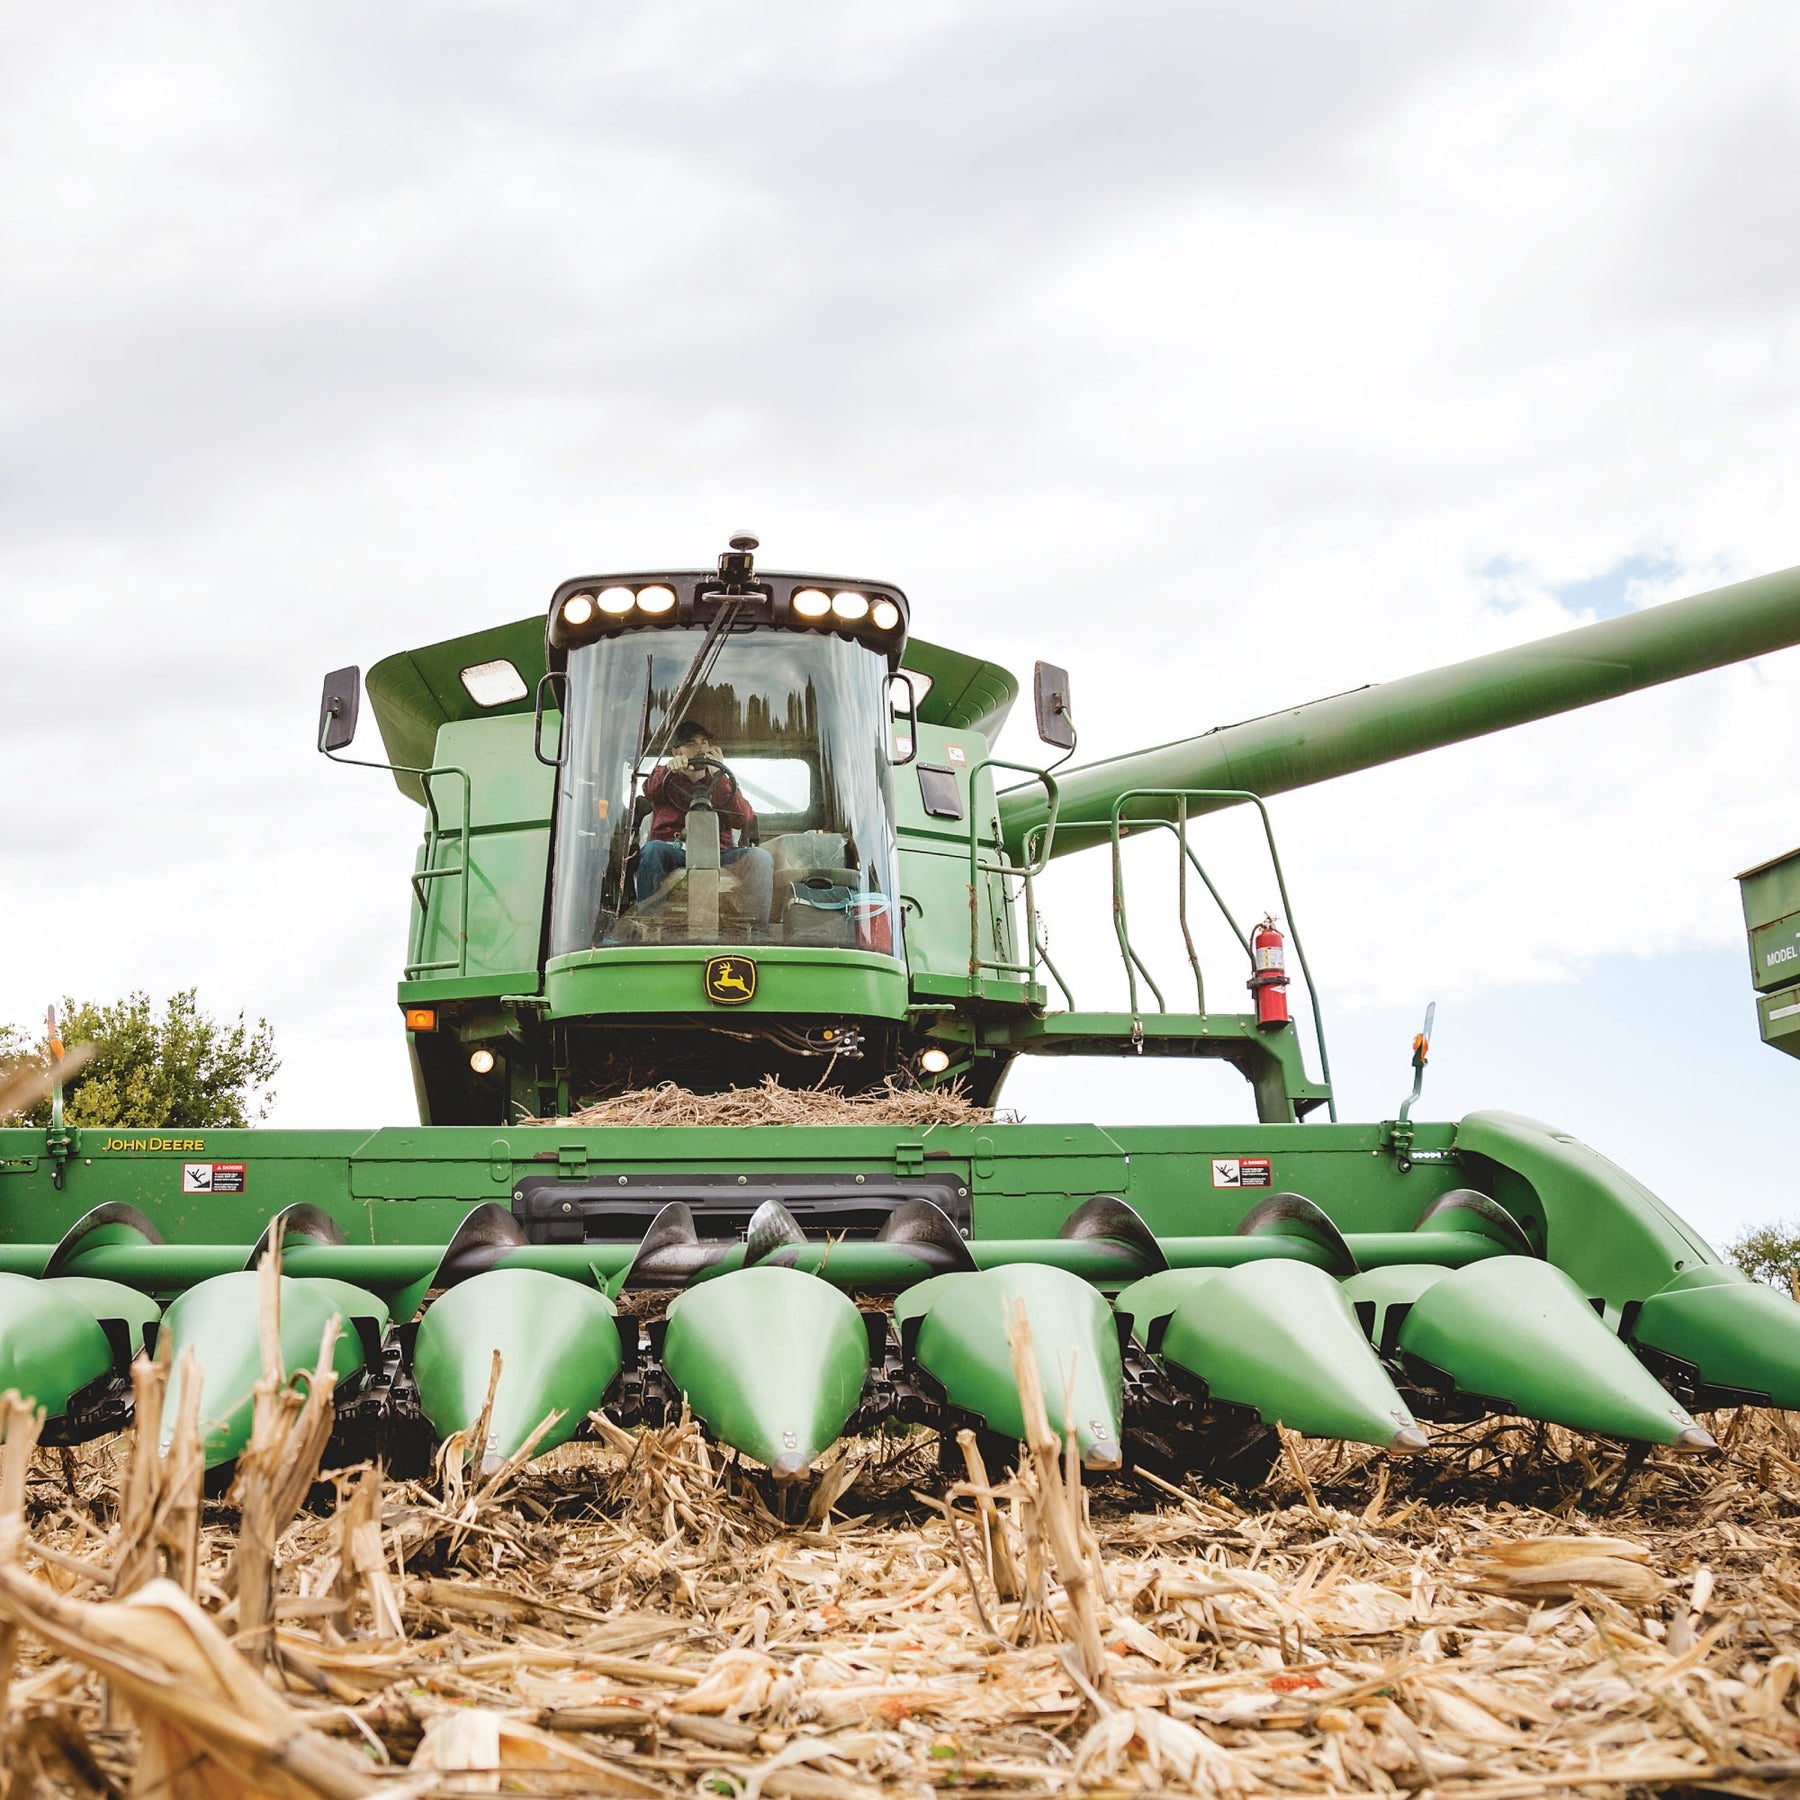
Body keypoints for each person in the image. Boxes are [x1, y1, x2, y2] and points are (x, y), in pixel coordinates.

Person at [635, 722, 774, 928]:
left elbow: (743, 818)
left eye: (704, 742)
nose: (700, 748)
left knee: (760, 858)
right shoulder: (664, 777)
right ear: (676, 751)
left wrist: (720, 777)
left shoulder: (721, 782)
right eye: (691, 744)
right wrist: (668, 770)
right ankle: (648, 925)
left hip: (718, 853)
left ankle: (759, 930)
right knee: (652, 849)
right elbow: (649, 790)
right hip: (673, 851)